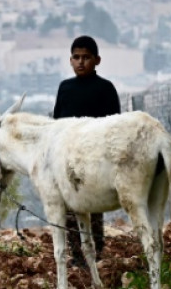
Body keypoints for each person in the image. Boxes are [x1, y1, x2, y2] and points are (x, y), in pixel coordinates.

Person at [52, 35, 121, 269]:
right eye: (76, 57)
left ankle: (96, 253)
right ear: (70, 60)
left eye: (86, 57)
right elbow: (57, 124)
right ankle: (78, 256)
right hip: (70, 158)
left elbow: (114, 126)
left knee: (93, 206)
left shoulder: (105, 89)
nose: (81, 62)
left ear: (97, 60)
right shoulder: (65, 88)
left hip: (96, 158)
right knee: (71, 206)